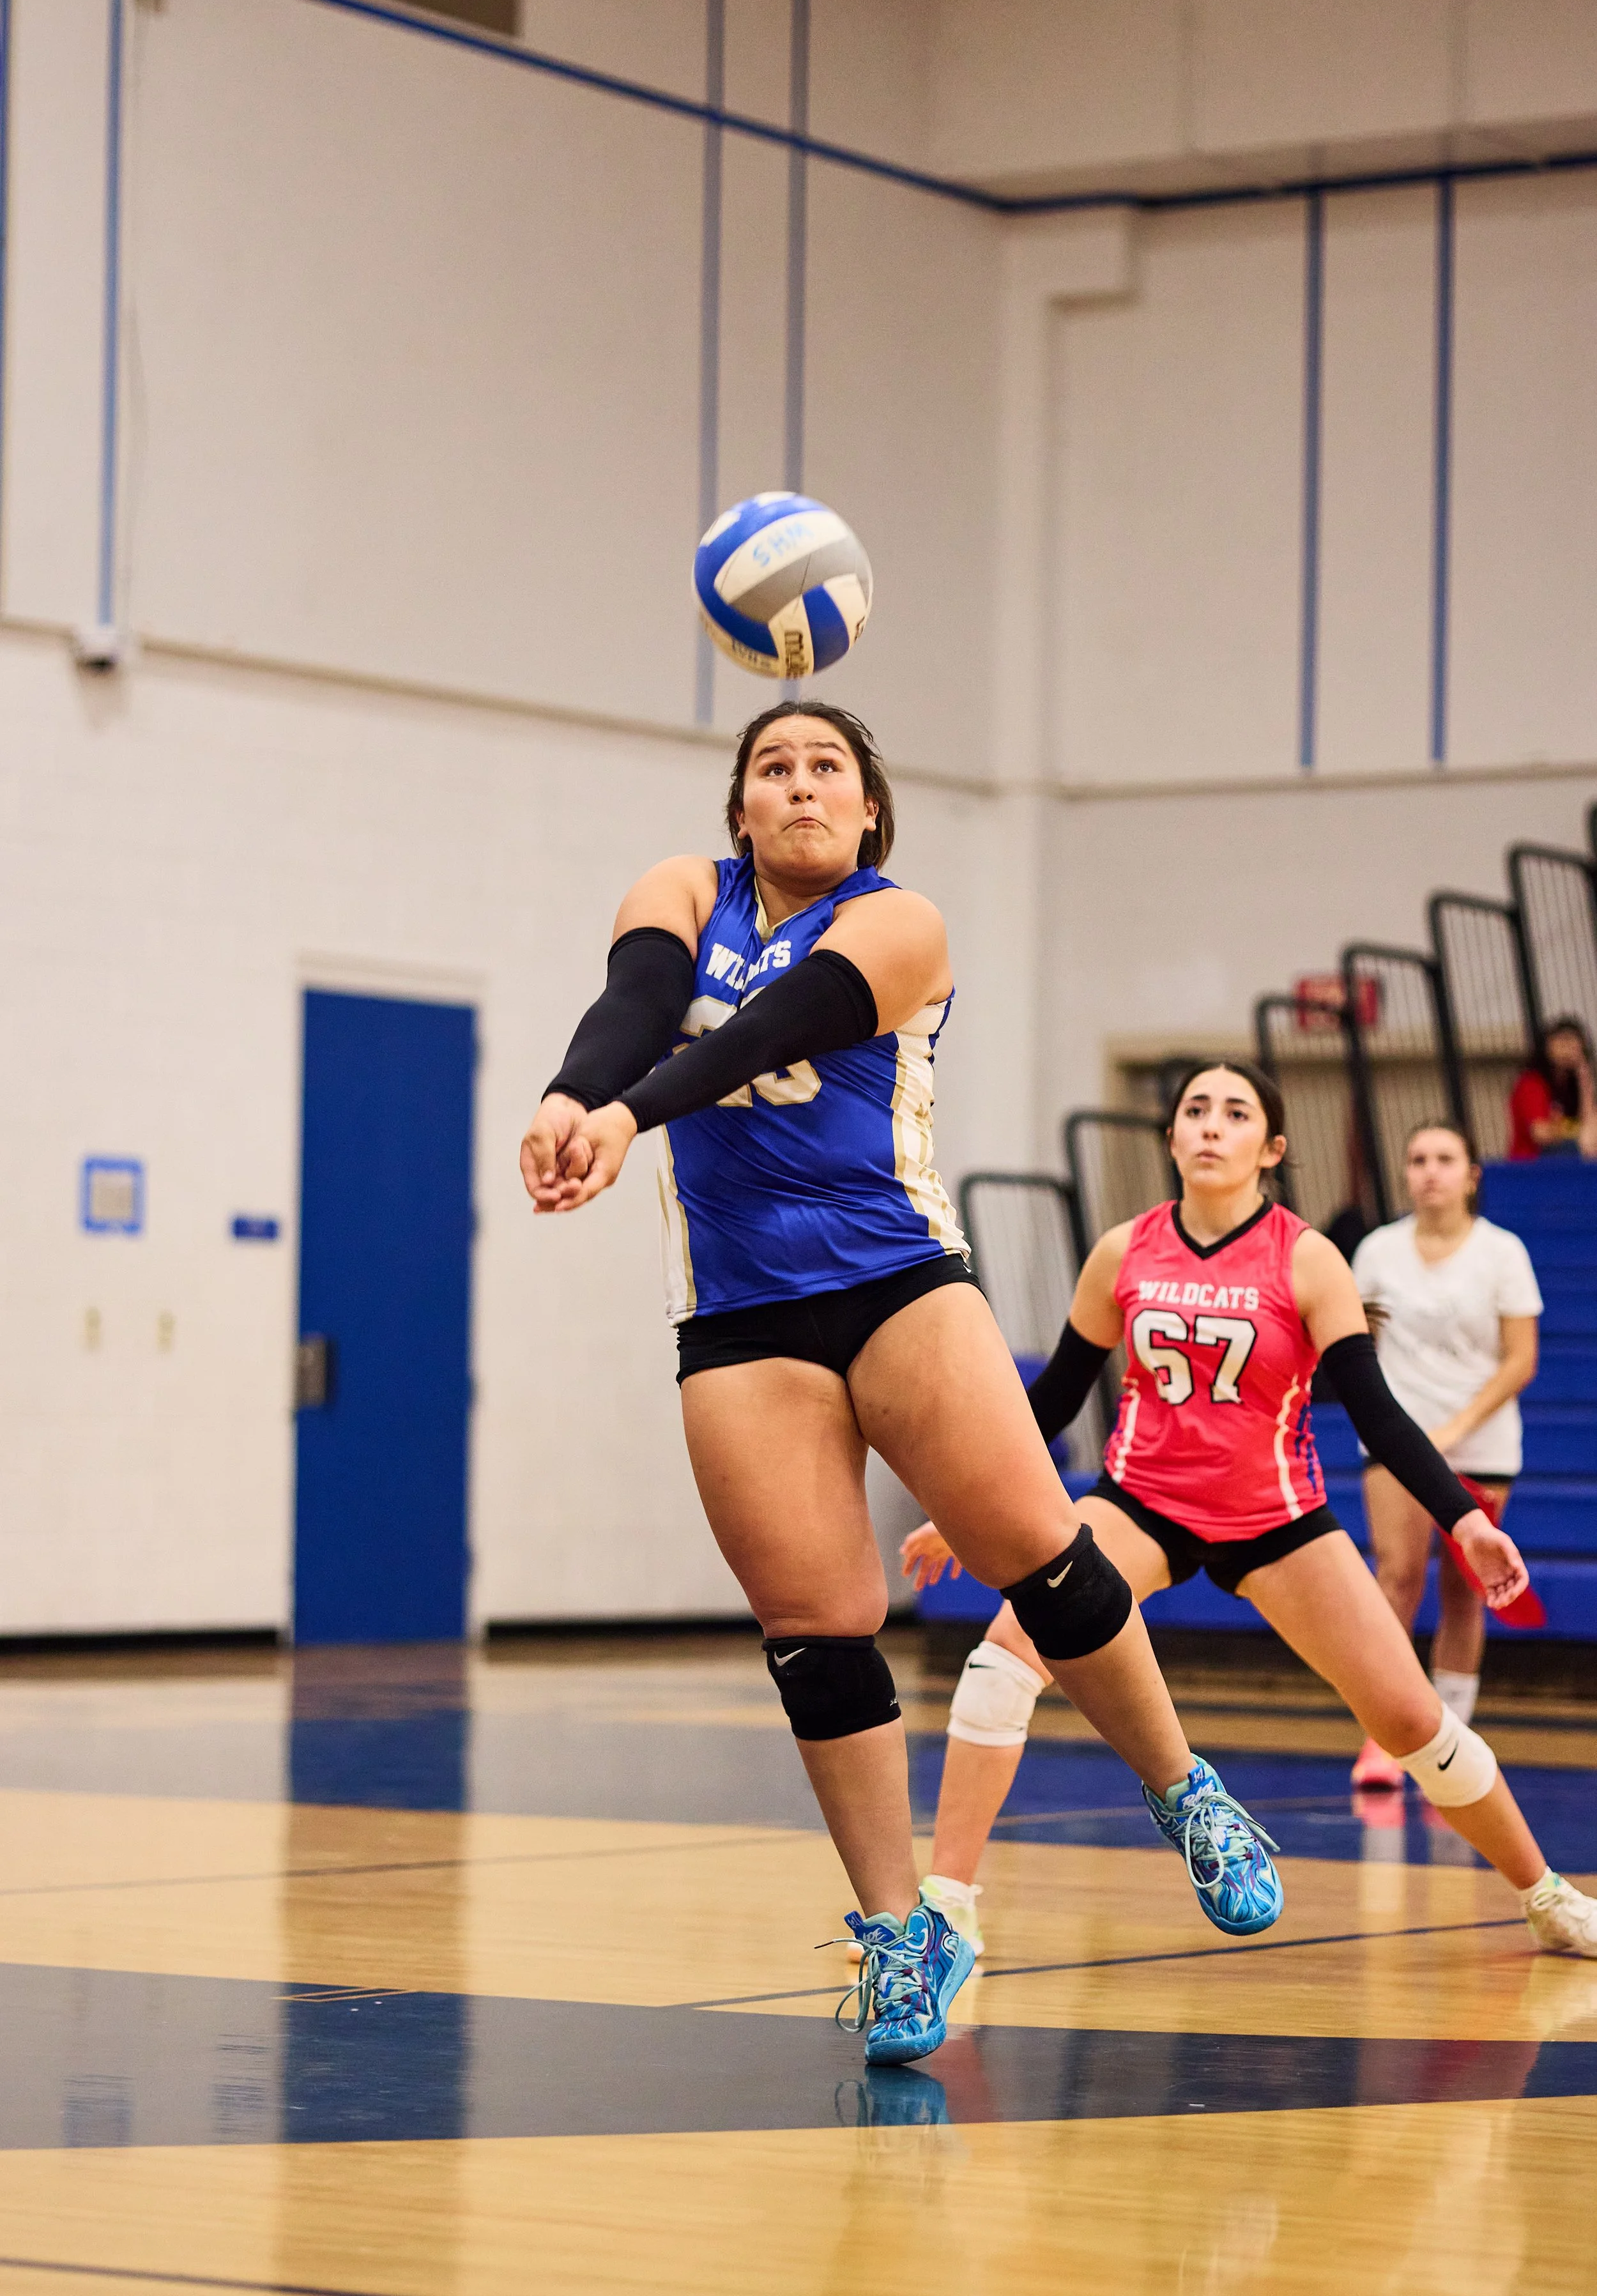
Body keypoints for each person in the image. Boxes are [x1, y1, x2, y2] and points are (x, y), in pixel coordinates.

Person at [520, 700, 1283, 2068]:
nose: (799, 786)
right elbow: (632, 1007)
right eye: (772, 768)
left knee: (1038, 1558)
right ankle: (895, 1930)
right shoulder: (680, 891)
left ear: (867, 810)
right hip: (739, 1313)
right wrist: (574, 1092)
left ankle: (1185, 1789)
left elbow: (775, 1027)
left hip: (895, 1280)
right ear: (739, 806)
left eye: (826, 769)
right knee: (815, 1624)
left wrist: (628, 1114)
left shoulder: (901, 921)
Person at [902, 1059, 1597, 1963]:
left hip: (1277, 1517)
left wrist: (1463, 1517)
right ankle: (949, 1901)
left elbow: (1377, 1411)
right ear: (1172, 1136)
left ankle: (1546, 1894)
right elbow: (1054, 1401)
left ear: (1270, 1147)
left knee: (1411, 1722)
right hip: (1141, 1503)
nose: (1210, 1126)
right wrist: (967, 1512)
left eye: (1235, 1113)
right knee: (1003, 1658)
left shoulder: (1306, 1258)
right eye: (1195, 1109)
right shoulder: (1123, 1249)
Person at [1348, 1121, 1541, 1788]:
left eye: (1443, 1158)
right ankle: (1385, 1732)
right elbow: (1353, 1348)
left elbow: (1521, 1359)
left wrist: (1457, 1425)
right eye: (1417, 1157)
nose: (1429, 1170)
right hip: (1395, 1442)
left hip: (1481, 1442)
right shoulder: (1375, 1250)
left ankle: (1452, 1737)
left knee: (1465, 1588)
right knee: (1396, 1576)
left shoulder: (1501, 1252)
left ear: (1471, 1173)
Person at [1508, 1015, 1597, 1159]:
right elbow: (1540, 1134)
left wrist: (1584, 1079)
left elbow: (1589, 1124)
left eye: (1574, 1044)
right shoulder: (1531, 1083)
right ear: (1546, 1046)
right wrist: (1572, 1130)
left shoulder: (1572, 1083)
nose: (1568, 1050)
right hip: (1533, 1162)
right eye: (1562, 1042)